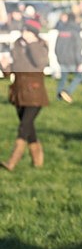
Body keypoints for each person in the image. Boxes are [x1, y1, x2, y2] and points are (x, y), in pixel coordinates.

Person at [0, 19, 50, 171]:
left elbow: (40, 62)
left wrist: (32, 44)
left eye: (28, 30)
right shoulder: (17, 44)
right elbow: (12, 70)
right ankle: (38, 160)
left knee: (23, 127)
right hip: (19, 92)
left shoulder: (40, 45)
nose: (24, 33)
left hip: (35, 93)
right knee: (29, 127)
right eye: (24, 29)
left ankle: (12, 161)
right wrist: (5, 66)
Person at [54, 11, 82, 103]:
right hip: (72, 59)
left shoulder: (62, 30)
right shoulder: (75, 31)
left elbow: (57, 46)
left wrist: (58, 57)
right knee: (80, 76)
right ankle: (67, 91)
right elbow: (78, 48)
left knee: (63, 77)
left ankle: (59, 97)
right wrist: (80, 62)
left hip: (62, 58)